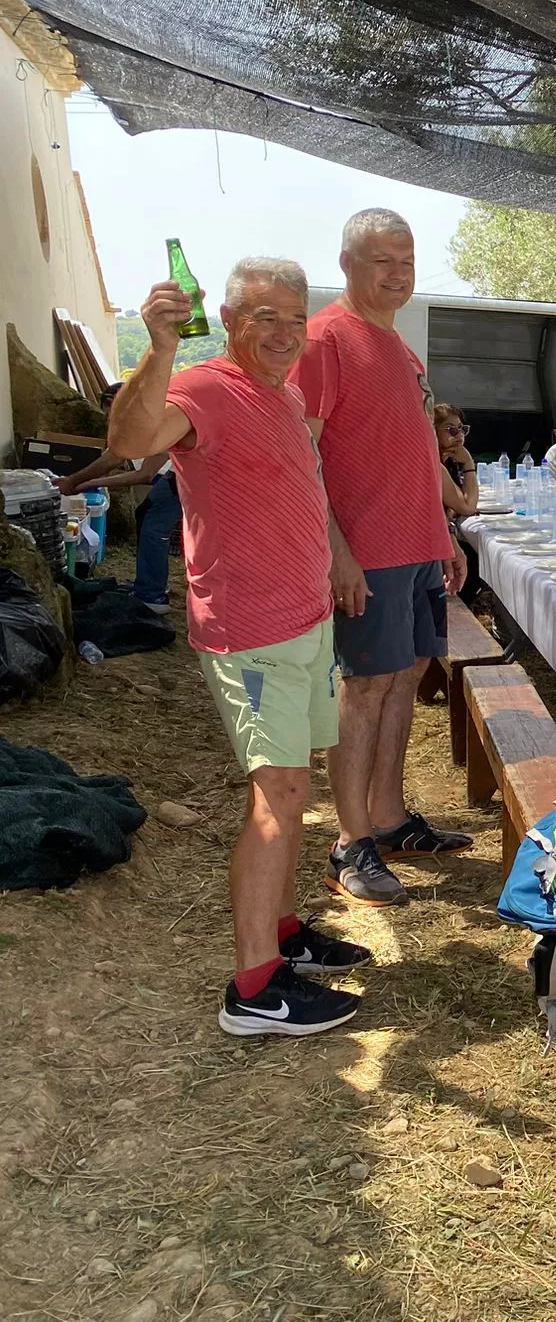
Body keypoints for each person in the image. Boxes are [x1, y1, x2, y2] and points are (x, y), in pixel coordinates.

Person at [109, 259, 372, 1036]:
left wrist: (335, 564)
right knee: (277, 795)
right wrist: (160, 348)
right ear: (228, 321)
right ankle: (255, 989)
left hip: (305, 622)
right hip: (252, 633)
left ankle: (284, 934)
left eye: (295, 317)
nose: (286, 333)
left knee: (295, 790)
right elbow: (129, 440)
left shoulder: (283, 394)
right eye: (266, 317)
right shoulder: (203, 389)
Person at [292, 208, 471, 907]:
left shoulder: (399, 347)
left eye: (407, 261)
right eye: (382, 261)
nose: (398, 274)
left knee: (409, 674)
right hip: (366, 553)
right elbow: (301, 456)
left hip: (417, 548)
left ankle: (390, 819)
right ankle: (349, 842)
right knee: (365, 685)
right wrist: (336, 552)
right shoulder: (325, 340)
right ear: (347, 264)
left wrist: (443, 534)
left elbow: (420, 451)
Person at [58, 439, 179, 616]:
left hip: (197, 470)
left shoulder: (149, 426)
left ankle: (152, 596)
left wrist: (75, 482)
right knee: (146, 514)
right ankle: (150, 585)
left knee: (154, 523)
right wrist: (87, 483)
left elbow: (123, 462)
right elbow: (141, 470)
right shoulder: (158, 433)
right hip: (188, 467)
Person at [434, 403, 479, 520]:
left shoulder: (449, 462)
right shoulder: (434, 466)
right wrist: (469, 463)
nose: (460, 435)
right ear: (434, 431)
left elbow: (459, 499)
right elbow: (468, 507)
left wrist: (452, 509)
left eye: (462, 429)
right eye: (452, 430)